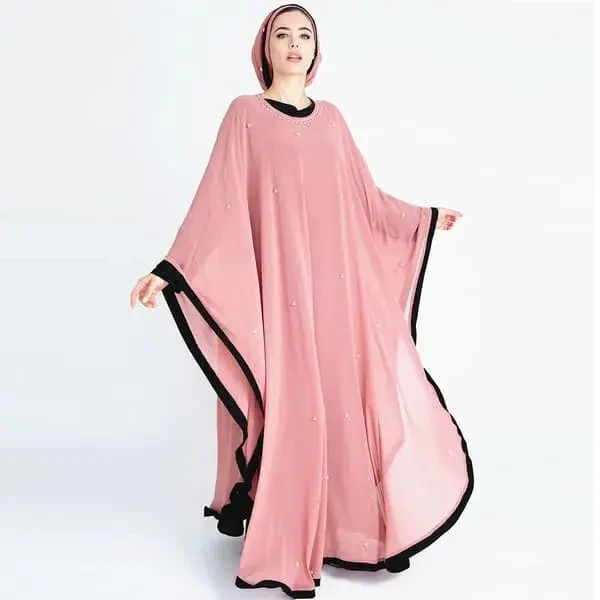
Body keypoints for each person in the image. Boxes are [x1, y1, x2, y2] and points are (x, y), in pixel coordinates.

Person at [129, 4, 473, 599]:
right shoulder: (244, 115)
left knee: (342, 403)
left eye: (304, 35)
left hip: (335, 293)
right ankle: (287, 538)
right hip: (279, 294)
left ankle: (349, 529)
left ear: (316, 50)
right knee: (292, 405)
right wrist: (170, 270)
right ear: (264, 49)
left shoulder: (332, 120)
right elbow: (216, 200)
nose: (294, 43)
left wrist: (422, 217)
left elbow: (364, 198)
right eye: (282, 35)